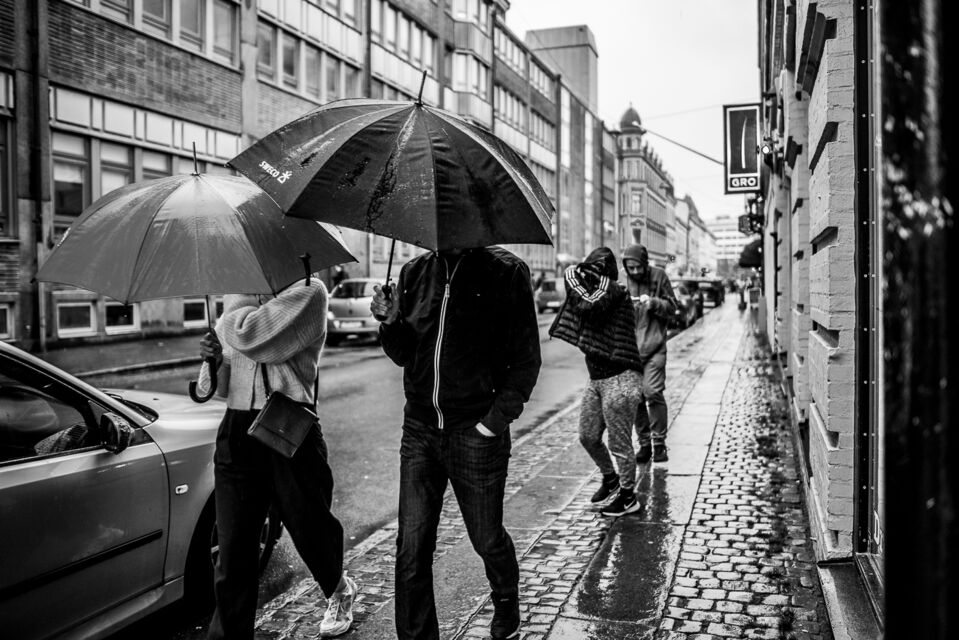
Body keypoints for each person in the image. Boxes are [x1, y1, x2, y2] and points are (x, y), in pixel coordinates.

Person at [369, 246, 541, 640]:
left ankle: (506, 597)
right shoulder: (414, 273)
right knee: (411, 547)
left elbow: (526, 360)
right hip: (420, 429)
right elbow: (404, 354)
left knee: (486, 538)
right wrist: (391, 322)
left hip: (475, 433)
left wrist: (492, 424)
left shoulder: (506, 272)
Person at [195, 277, 357, 640]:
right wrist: (214, 360)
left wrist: (228, 318)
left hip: (288, 426)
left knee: (310, 529)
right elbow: (216, 387)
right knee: (233, 552)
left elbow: (253, 337)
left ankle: (338, 588)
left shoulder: (308, 292)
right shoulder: (238, 294)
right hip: (237, 429)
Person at [548, 247, 645, 517]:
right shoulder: (595, 291)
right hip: (597, 379)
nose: (587, 276)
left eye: (593, 272)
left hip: (621, 377)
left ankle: (628, 497)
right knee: (588, 436)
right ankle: (611, 479)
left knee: (619, 444)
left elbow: (588, 305)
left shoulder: (614, 291)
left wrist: (571, 275)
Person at [622, 244, 678, 463]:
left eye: (638, 267)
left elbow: (672, 308)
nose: (635, 271)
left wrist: (654, 303)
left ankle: (659, 443)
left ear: (645, 264)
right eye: (631, 268)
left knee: (652, 392)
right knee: (636, 397)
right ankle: (644, 444)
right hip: (630, 351)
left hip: (655, 347)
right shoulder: (622, 280)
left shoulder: (659, 276)